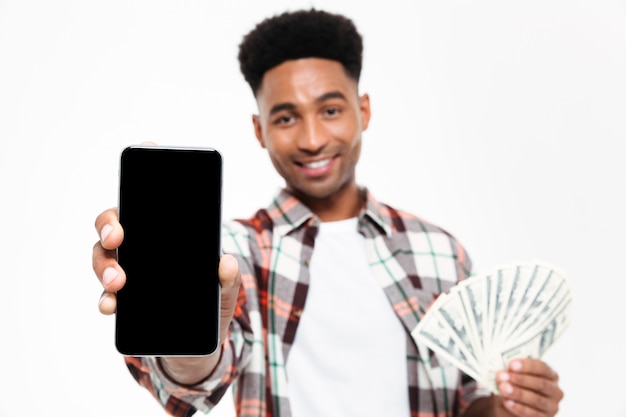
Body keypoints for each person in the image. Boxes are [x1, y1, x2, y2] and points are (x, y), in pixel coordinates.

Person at [92, 8, 564, 417]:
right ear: (259, 130)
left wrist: (508, 407)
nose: (313, 138)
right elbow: (190, 386)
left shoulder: (439, 253)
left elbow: (466, 404)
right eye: (286, 117)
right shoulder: (233, 253)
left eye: (331, 110)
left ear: (364, 110)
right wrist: (188, 335)